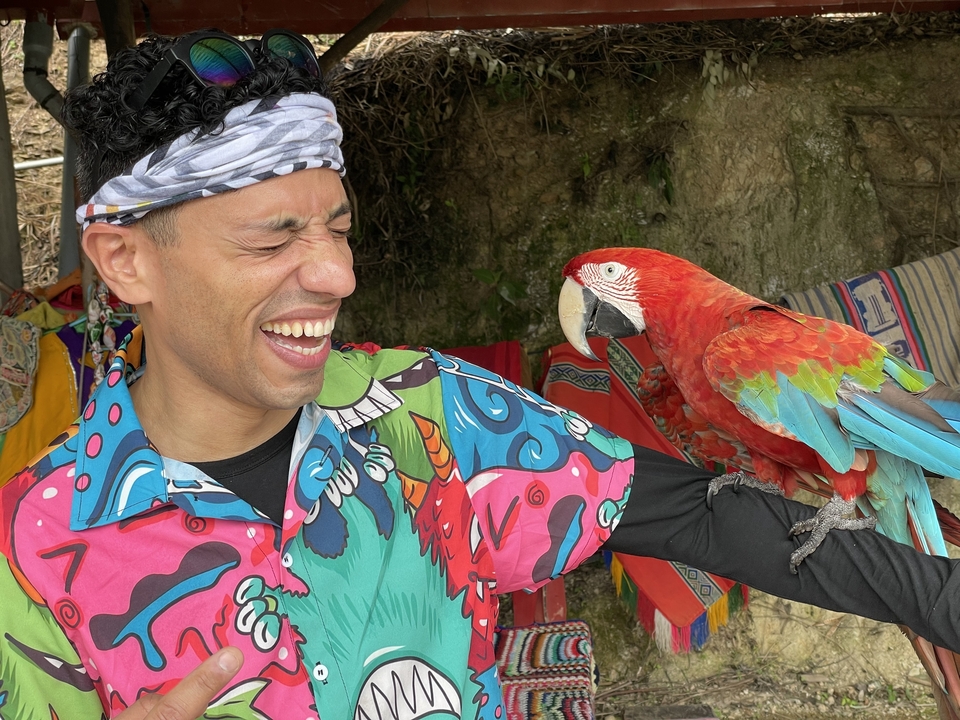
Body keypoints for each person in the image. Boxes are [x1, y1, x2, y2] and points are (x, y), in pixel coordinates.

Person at [2, 29, 960, 720]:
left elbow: (706, 512)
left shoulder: (431, 408)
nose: (337, 275)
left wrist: (943, 602)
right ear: (127, 262)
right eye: (274, 238)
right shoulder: (33, 555)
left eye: (337, 227)